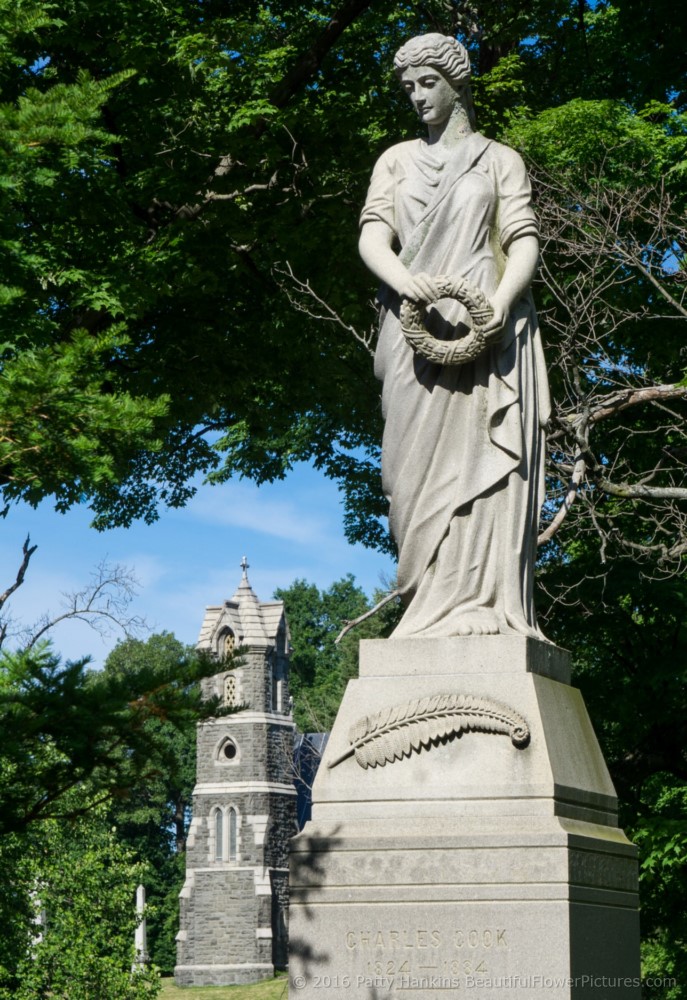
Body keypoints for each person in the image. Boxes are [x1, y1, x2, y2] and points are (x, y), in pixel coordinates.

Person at [358, 33, 550, 638]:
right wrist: (409, 285)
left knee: (484, 467)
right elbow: (371, 238)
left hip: (487, 334)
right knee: (407, 477)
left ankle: (482, 604)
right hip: (413, 339)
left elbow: (523, 240)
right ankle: (425, 606)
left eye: (427, 83)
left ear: (455, 82)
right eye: (408, 87)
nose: (416, 97)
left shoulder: (499, 159)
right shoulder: (394, 160)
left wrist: (496, 305)